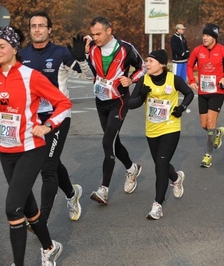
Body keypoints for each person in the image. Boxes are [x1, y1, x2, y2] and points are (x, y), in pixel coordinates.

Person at [0, 26, 72, 265]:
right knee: (28, 206)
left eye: (1, 46)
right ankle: (50, 248)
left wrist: (48, 125)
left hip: (31, 148)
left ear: (14, 48)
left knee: (13, 209)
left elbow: (64, 104)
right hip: (6, 151)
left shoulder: (31, 76)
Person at [19, 11, 93, 223]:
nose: (37, 29)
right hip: (33, 120)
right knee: (52, 161)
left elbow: (89, 76)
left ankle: (41, 220)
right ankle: (71, 194)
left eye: (42, 26)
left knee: (47, 167)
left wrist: (82, 58)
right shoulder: (22, 56)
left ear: (49, 29)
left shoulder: (61, 53)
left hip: (58, 116)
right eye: (33, 26)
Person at [85, 16, 146, 204]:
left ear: (109, 31)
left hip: (118, 101)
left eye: (98, 33)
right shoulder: (93, 49)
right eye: (93, 34)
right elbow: (91, 73)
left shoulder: (125, 48)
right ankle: (131, 168)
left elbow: (142, 66)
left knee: (107, 142)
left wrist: (132, 80)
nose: (95, 37)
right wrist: (84, 56)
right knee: (113, 142)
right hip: (100, 100)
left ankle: (103, 189)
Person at [128, 49, 194, 219]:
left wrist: (181, 108)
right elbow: (131, 104)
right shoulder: (144, 80)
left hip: (171, 128)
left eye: (150, 61)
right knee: (161, 163)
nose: (147, 64)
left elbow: (189, 93)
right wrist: (142, 95)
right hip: (152, 130)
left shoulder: (174, 80)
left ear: (162, 64)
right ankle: (176, 178)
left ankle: (157, 205)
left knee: (160, 165)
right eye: (147, 61)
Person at [187, 23, 224, 167]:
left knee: (210, 122)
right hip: (203, 92)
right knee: (205, 125)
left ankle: (208, 155)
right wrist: (191, 80)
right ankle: (217, 133)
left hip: (217, 91)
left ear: (214, 37)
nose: (205, 38)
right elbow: (189, 65)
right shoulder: (197, 51)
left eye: (208, 35)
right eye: (204, 35)